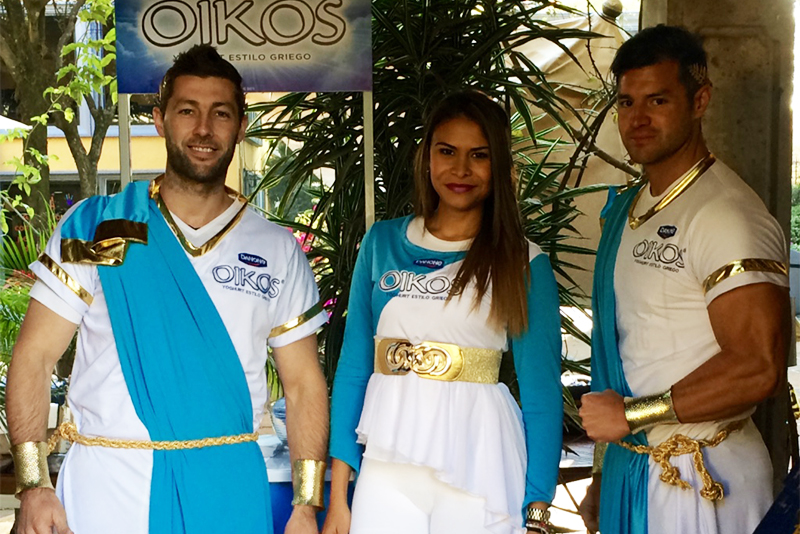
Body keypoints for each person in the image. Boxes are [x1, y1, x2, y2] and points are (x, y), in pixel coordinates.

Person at [7, 44, 329, 534]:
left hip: (227, 487)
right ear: (159, 120)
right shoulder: (100, 226)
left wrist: (305, 506)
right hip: (108, 487)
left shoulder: (276, 248)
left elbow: (304, 384)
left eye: (221, 113)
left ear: (241, 127)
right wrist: (33, 484)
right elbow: (34, 356)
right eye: (187, 111)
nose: (203, 129)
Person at [578, 24, 790, 534]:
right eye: (626, 103)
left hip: (705, 477)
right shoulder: (630, 208)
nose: (638, 119)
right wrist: (605, 471)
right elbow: (631, 352)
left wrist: (632, 415)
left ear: (700, 101)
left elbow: (758, 367)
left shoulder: (726, 214)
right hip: (638, 467)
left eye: (657, 100)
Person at [323, 90, 564, 534]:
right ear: (426, 156)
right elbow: (354, 368)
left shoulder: (523, 262)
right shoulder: (381, 243)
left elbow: (541, 394)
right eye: (447, 151)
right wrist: (339, 498)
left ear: (499, 164)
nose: (461, 169)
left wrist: (537, 512)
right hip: (387, 464)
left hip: (481, 466)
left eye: (479, 155)